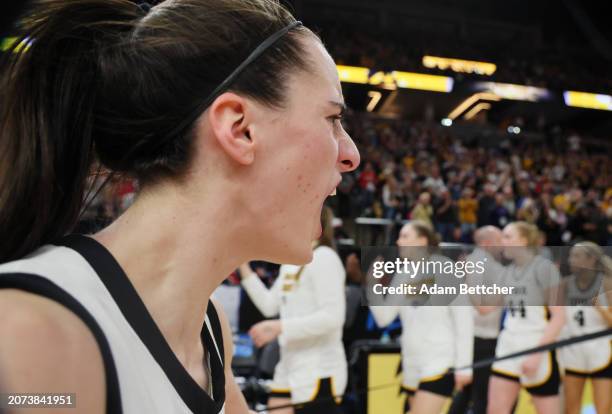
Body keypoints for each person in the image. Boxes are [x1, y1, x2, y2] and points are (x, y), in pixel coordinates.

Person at [0, 1, 360, 413]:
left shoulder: (208, 330)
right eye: (332, 118)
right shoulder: (32, 332)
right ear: (240, 129)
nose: (351, 155)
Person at [238, 206, 347, 414]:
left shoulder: (325, 258)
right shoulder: (292, 262)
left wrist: (280, 327)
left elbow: (333, 318)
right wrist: (242, 265)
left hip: (319, 368)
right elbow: (269, 305)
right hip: (289, 365)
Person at [369, 221, 473, 414]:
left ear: (422, 240)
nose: (399, 241)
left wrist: (464, 367)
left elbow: (464, 321)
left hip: (440, 363)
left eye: (405, 236)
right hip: (411, 364)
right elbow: (384, 318)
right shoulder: (403, 275)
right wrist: (372, 285)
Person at [487, 222, 565, 414]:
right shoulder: (506, 272)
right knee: (495, 410)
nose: (502, 242)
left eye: (507, 237)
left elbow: (560, 317)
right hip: (508, 346)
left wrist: (536, 354)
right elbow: (485, 308)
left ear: (523, 241)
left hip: (536, 347)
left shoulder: (544, 269)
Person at [448, 226, 504, 414]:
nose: (503, 244)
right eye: (499, 239)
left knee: (467, 393)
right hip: (481, 338)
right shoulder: (480, 263)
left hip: (475, 337)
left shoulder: (475, 262)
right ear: (487, 242)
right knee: (480, 395)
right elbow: (480, 305)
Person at [559, 242, 612, 414]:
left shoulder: (607, 284)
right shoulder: (565, 284)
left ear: (591, 260)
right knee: (570, 409)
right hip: (573, 350)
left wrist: (601, 309)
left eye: (576, 256)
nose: (571, 260)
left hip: (601, 350)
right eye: (570, 255)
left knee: (602, 409)